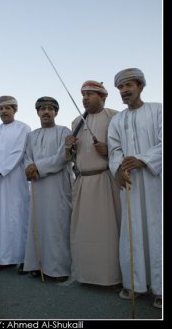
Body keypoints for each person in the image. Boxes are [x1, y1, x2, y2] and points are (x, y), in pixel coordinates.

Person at [108, 68, 162, 309]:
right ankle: (135, 284)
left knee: (157, 231)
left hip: (155, 182)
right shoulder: (117, 120)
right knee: (132, 231)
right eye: (120, 87)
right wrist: (119, 168)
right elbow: (114, 148)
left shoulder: (158, 110)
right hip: (129, 183)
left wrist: (143, 160)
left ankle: (161, 289)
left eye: (128, 85)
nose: (124, 91)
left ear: (140, 86)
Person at [65, 81, 121, 287]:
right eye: (83, 95)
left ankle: (111, 277)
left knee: (107, 232)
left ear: (103, 97)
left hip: (105, 180)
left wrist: (109, 150)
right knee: (82, 232)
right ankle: (84, 276)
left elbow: (123, 148)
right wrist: (68, 148)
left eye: (90, 94)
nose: (85, 98)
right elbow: (69, 158)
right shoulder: (76, 122)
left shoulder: (114, 116)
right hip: (82, 181)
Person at [23, 96, 72, 281]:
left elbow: (62, 158)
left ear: (56, 113)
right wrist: (30, 167)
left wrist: (38, 167)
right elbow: (26, 157)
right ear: (37, 112)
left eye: (50, 108)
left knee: (57, 224)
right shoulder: (32, 135)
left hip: (57, 184)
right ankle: (38, 265)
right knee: (38, 222)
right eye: (42, 108)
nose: (46, 111)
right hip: (38, 184)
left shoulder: (63, 131)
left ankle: (58, 269)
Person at [0, 96, 31, 274]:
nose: (4, 111)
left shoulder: (23, 128)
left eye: (7, 108)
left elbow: (18, 152)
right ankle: (1, 258)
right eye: (1, 108)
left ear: (14, 109)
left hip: (14, 179)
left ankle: (21, 258)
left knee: (16, 216)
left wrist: (0, 169)